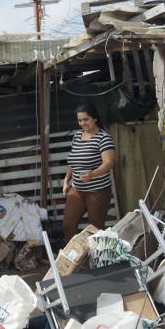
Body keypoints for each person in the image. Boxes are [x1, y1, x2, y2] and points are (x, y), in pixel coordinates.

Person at [62, 101, 116, 238]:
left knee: (95, 229)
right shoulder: (77, 136)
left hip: (98, 192)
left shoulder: (103, 138)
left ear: (95, 118)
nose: (82, 123)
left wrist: (92, 174)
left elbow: (108, 163)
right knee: (68, 224)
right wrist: (66, 180)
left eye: (86, 119)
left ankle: (95, 257)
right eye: (80, 120)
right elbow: (72, 161)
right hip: (77, 189)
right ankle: (70, 257)